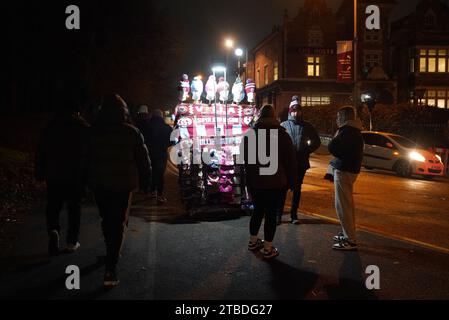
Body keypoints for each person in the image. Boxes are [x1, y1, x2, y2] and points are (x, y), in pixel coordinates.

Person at [88, 94, 151, 287]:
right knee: (118, 222)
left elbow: (85, 159)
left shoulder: (93, 132)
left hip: (99, 184)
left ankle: (110, 252)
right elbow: (143, 160)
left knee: (107, 219)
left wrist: (82, 182)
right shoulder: (131, 132)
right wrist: (146, 182)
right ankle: (111, 267)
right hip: (123, 185)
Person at [35, 96, 90, 256]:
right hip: (75, 175)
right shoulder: (83, 127)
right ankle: (72, 241)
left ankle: (53, 230)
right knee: (74, 208)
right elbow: (89, 154)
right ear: (77, 110)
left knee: (53, 206)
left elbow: (41, 151)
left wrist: (39, 171)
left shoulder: (51, 126)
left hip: (54, 174)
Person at [241, 105, 298, 259]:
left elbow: (246, 162)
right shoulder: (282, 135)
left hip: (256, 182)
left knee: (257, 211)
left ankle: (253, 241)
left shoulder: (250, 135)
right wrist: (292, 182)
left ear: (259, 116)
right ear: (274, 117)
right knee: (271, 214)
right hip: (276, 182)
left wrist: (247, 183)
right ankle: (268, 248)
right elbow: (290, 162)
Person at [280, 96, 321, 224]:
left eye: (298, 110)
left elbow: (317, 142)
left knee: (297, 190)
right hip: (286, 163)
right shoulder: (283, 125)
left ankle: (294, 215)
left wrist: (306, 150)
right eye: (293, 110)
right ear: (290, 111)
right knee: (283, 189)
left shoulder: (307, 126)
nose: (296, 113)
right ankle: (278, 215)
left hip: (301, 163)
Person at [328, 106, 364, 251]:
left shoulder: (347, 131)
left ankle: (350, 239)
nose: (337, 119)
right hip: (349, 169)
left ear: (344, 117)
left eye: (338, 116)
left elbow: (332, 147)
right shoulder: (355, 131)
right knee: (346, 205)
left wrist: (336, 135)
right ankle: (347, 233)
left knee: (343, 206)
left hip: (344, 170)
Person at [146, 109, 173, 204]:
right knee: (160, 173)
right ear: (162, 116)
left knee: (152, 172)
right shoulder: (167, 127)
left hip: (149, 153)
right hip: (161, 153)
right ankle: (160, 194)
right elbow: (172, 141)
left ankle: (152, 190)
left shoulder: (147, 126)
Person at [135, 105, 152, 194]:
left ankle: (141, 187)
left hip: (137, 149)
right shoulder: (148, 124)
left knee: (139, 168)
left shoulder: (136, 123)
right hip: (146, 148)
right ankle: (145, 187)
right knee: (146, 169)